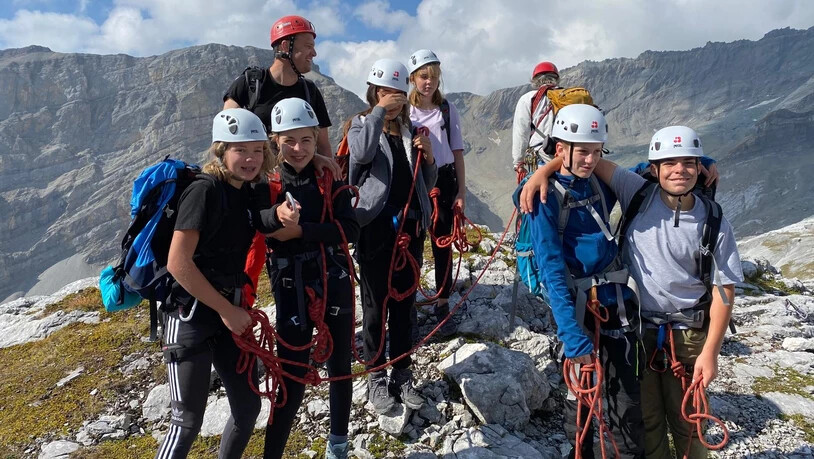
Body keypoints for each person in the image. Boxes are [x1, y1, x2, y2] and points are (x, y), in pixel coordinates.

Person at [586, 126, 742, 459]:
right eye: (669, 163)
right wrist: (543, 172)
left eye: (688, 162)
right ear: (653, 168)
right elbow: (587, 157)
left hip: (689, 337)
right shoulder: (636, 192)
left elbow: (724, 289)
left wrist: (710, 353)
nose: (679, 170)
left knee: (690, 424)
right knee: (649, 420)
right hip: (639, 333)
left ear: (699, 168)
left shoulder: (713, 221)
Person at [522, 104, 644, 458]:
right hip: (578, 313)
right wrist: (573, 339)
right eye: (584, 151)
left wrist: (703, 163)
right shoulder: (545, 198)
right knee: (581, 413)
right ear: (561, 149)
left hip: (616, 307)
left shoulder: (597, 182)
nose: (591, 160)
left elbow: (653, 173)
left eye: (597, 151)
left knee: (627, 405)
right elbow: (551, 269)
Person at [156, 108, 274, 459]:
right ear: (221, 151)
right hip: (189, 316)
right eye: (241, 150)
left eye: (257, 150)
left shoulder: (248, 192)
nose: (251, 158)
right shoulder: (203, 191)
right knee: (186, 420)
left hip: (227, 313)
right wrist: (226, 311)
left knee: (248, 406)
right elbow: (178, 262)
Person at [255, 98, 359, 459]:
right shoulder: (264, 182)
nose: (298, 149)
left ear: (317, 140)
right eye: (289, 141)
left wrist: (300, 231)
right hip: (292, 287)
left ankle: (339, 447)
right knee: (293, 378)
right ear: (276, 140)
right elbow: (256, 222)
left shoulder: (327, 176)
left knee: (341, 366)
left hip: (332, 278)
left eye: (306, 141)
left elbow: (350, 228)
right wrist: (276, 221)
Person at [347, 58, 437, 414]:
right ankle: (375, 376)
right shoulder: (360, 125)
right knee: (375, 306)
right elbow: (362, 154)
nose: (393, 99)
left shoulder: (411, 132)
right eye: (386, 92)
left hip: (409, 230)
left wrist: (428, 159)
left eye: (398, 93)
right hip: (376, 230)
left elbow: (423, 184)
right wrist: (376, 113)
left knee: (403, 306)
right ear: (374, 92)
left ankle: (402, 373)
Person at [407, 49, 465, 337]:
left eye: (434, 76)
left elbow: (457, 153)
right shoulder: (405, 111)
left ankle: (442, 303)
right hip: (416, 180)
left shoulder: (447, 109)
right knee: (413, 242)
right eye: (423, 76)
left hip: (444, 179)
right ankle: (409, 305)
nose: (429, 82)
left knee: (442, 242)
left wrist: (460, 192)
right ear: (413, 78)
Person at [223, 15, 335, 161]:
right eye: (308, 47)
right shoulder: (249, 83)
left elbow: (323, 146)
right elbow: (225, 136)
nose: (314, 53)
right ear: (285, 46)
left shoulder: (310, 91)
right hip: (255, 179)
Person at [510, 61, 560, 182]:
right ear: (556, 79)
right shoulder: (567, 97)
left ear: (535, 80)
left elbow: (521, 133)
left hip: (543, 156)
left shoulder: (528, 99)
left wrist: (518, 164)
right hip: (569, 156)